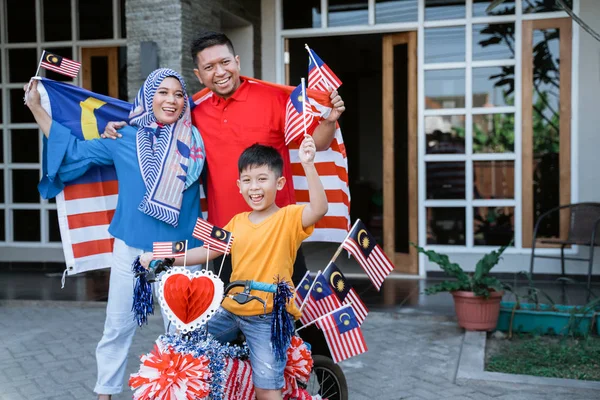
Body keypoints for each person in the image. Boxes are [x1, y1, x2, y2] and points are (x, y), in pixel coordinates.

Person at [105, 31, 345, 286]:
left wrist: (329, 122)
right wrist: (116, 127)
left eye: (225, 62)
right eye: (209, 67)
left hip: (277, 229)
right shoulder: (193, 111)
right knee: (227, 318)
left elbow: (318, 143)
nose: (219, 72)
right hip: (222, 236)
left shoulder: (275, 99)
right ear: (199, 74)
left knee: (291, 315)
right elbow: (157, 121)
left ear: (237, 62)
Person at [24, 68, 206, 400]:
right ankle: (105, 393)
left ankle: (181, 393)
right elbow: (72, 151)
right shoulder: (123, 138)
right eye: (163, 92)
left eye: (179, 94)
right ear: (149, 97)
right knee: (117, 326)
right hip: (131, 247)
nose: (172, 100)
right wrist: (36, 107)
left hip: (181, 250)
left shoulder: (197, 141)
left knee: (182, 331)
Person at [140, 137, 327, 400]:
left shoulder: (289, 217)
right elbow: (205, 250)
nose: (255, 187)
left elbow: (319, 208)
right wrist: (163, 254)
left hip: (268, 315)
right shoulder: (236, 222)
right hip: (232, 309)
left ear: (280, 183)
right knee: (187, 347)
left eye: (263, 179)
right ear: (239, 186)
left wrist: (308, 165)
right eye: (248, 180)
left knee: (266, 388)